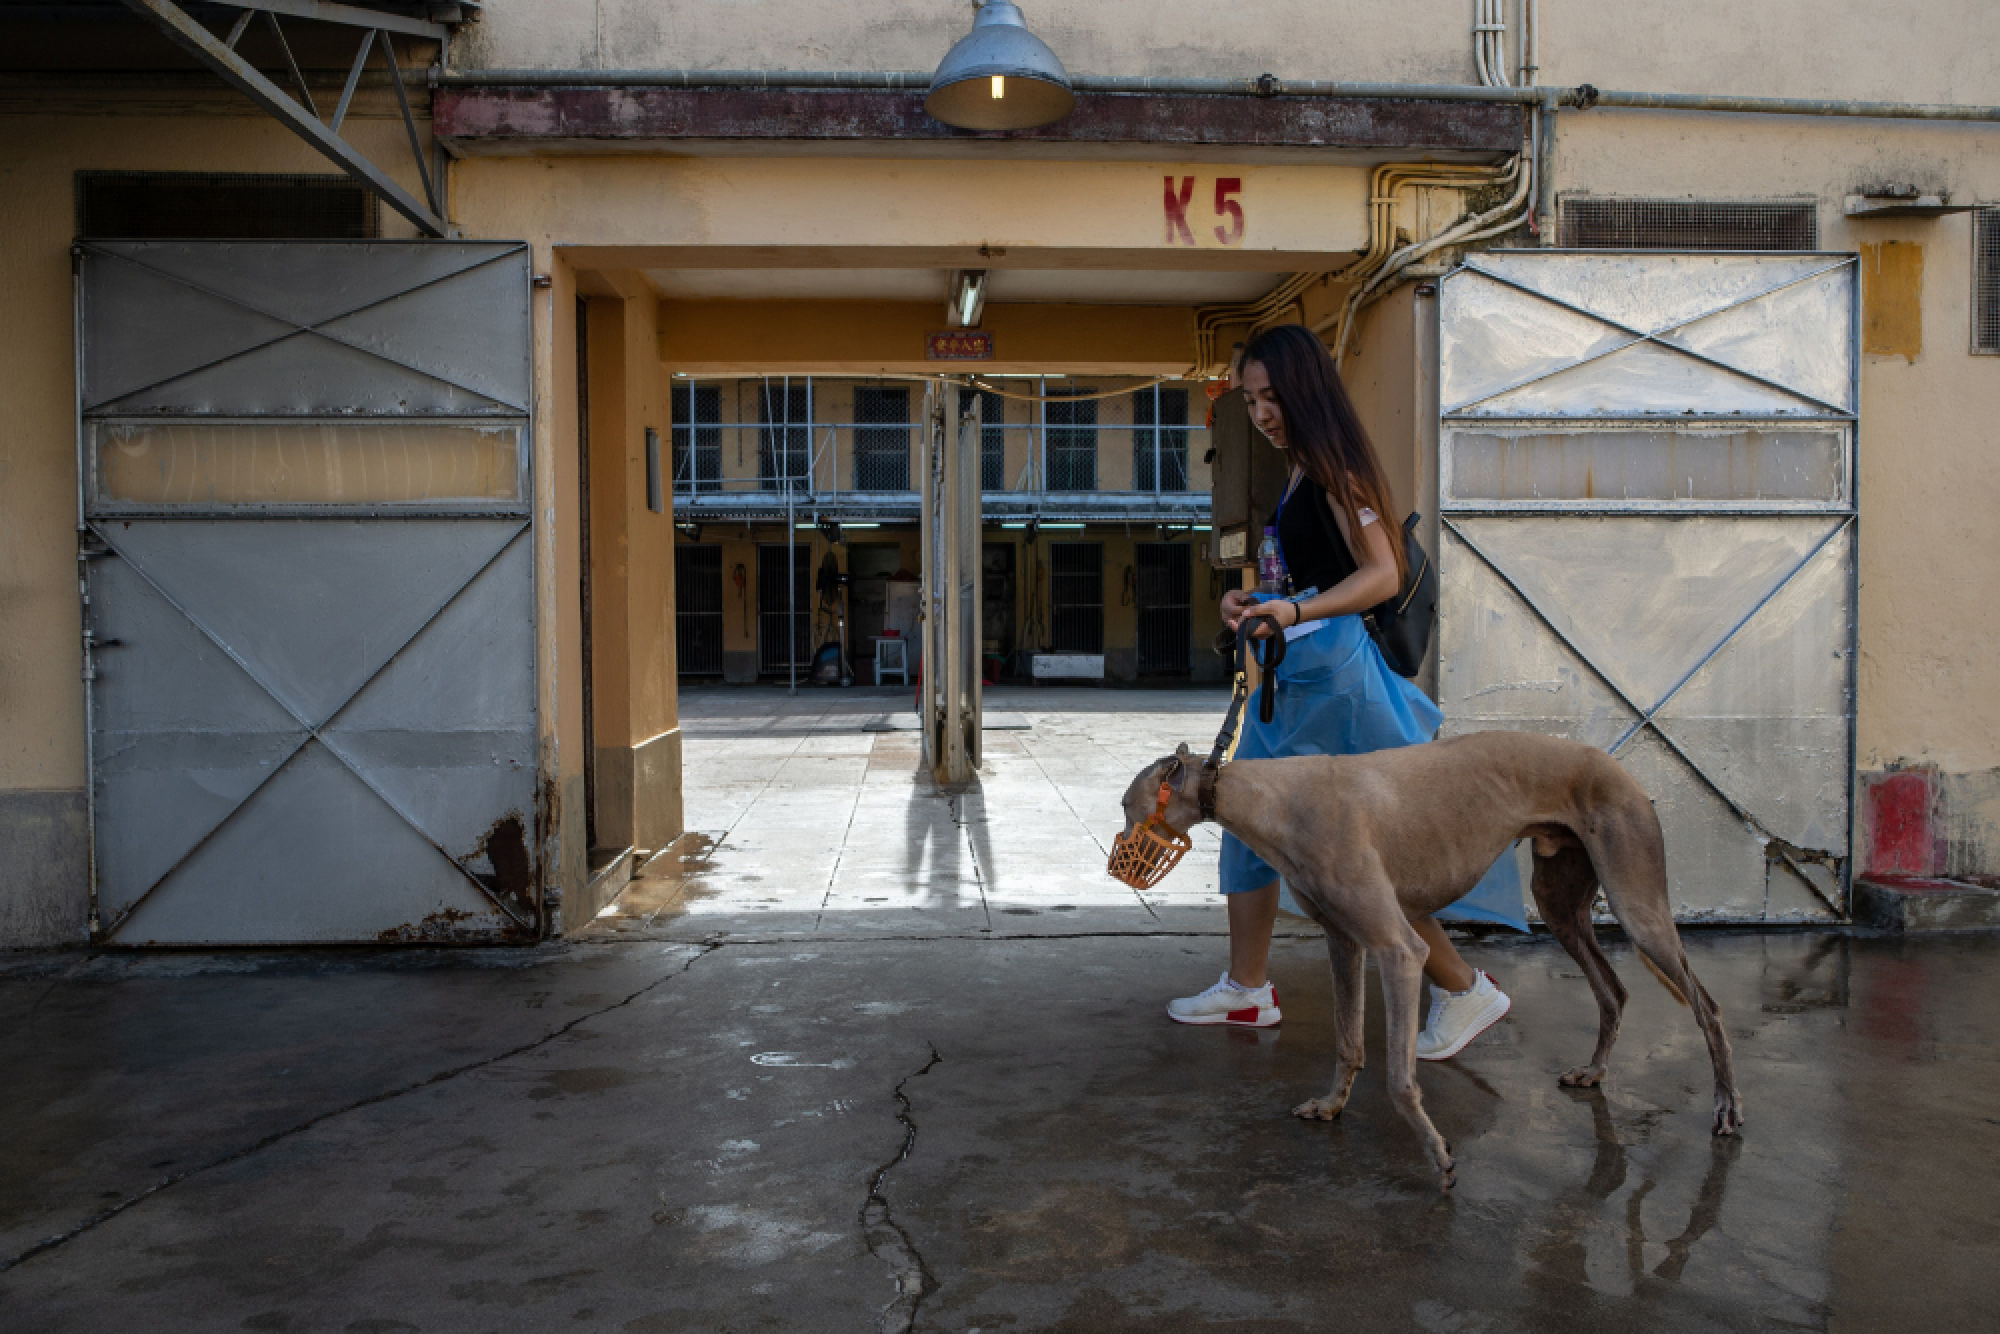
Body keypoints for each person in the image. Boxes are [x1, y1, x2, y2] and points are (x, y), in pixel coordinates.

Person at [1167, 324, 1524, 1061]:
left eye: (1273, 398)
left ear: (1306, 390)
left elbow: (1383, 573)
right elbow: (1314, 577)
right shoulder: (1302, 468)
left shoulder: (1335, 466)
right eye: (1252, 400)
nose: (1262, 413)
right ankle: (1246, 986)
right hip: (1301, 677)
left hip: (1340, 683)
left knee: (1361, 856)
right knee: (1242, 815)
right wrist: (1257, 604)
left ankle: (1463, 988)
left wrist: (1293, 611)